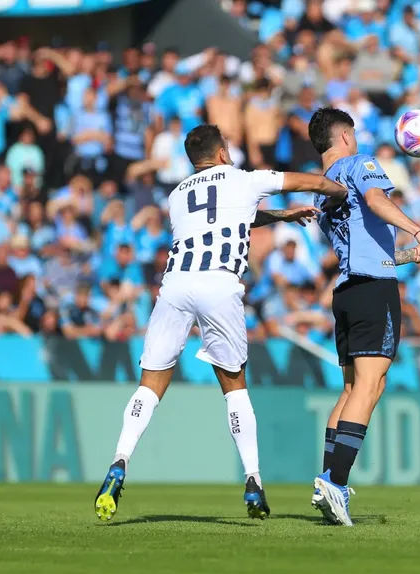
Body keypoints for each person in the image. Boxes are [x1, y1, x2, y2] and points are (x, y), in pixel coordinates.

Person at [93, 124, 348, 521]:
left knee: (150, 384)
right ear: (224, 152)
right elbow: (306, 181)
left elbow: (227, 218)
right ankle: (253, 481)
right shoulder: (245, 179)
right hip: (219, 283)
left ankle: (119, 461)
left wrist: (281, 216)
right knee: (234, 387)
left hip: (175, 284)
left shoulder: (177, 196)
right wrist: (344, 191)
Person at [306, 107, 420, 526]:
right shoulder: (360, 164)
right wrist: (418, 230)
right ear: (345, 137)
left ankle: (327, 479)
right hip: (372, 292)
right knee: (371, 384)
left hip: (347, 290)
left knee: (349, 390)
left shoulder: (321, 192)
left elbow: (361, 246)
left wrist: (405, 256)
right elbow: (376, 200)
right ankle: (337, 484)